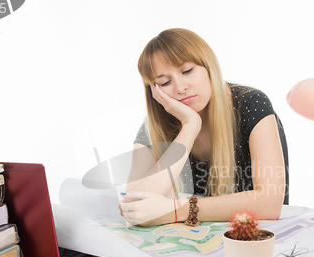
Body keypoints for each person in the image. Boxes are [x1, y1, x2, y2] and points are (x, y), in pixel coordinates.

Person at [119, 28, 288, 227]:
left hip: (250, 241)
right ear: (154, 91)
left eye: (187, 71)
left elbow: (270, 203)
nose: (180, 88)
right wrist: (190, 127)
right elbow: (134, 205)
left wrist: (176, 210)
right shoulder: (156, 124)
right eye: (165, 82)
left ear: (208, 67)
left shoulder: (251, 104)